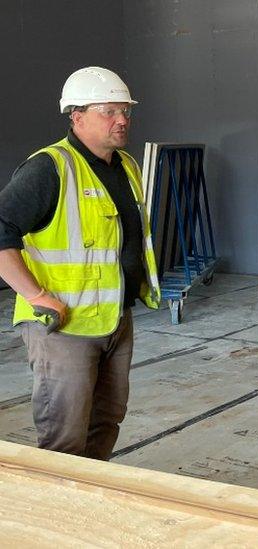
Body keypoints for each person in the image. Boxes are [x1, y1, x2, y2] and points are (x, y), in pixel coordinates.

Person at [0, 66, 161, 459]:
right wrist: (36, 295)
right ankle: (56, 515)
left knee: (107, 421)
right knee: (64, 437)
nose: (122, 120)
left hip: (114, 319)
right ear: (77, 116)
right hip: (65, 328)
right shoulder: (50, 167)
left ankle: (89, 504)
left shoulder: (126, 167)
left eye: (125, 111)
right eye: (109, 111)